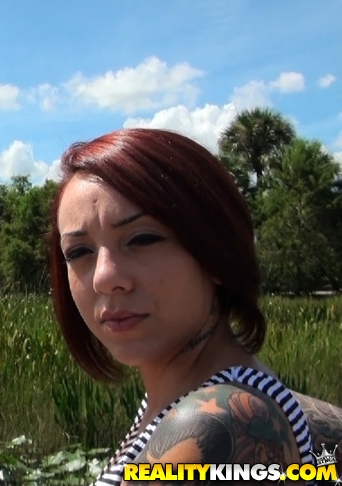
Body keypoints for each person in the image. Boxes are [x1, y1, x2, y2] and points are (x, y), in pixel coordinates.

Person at [49, 128, 342, 485]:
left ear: (215, 252)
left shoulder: (212, 426)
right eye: (79, 251)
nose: (105, 277)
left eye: (142, 239)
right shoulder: (299, 412)